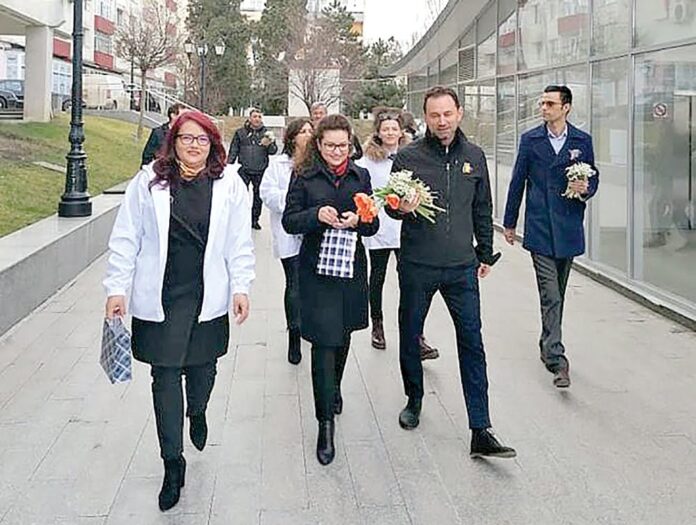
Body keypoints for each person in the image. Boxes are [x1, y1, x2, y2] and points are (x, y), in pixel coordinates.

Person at [104, 111, 255, 512]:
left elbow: (239, 242)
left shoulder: (229, 184)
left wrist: (241, 286)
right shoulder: (148, 182)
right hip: (163, 294)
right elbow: (126, 237)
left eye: (202, 139)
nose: (194, 146)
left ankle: (198, 410)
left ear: (213, 145)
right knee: (165, 376)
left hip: (208, 292)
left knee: (203, 369)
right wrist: (116, 288)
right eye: (186, 138)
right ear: (173, 142)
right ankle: (172, 462)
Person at [388, 86, 516, 459]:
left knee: (472, 342)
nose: (442, 121)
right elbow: (391, 206)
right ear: (425, 117)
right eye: (434, 115)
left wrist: (485, 253)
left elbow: (482, 207)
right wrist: (401, 207)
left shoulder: (474, 156)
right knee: (410, 333)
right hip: (418, 265)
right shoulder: (408, 157)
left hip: (461, 267)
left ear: (459, 113)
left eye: (448, 114)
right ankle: (414, 398)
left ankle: (481, 427)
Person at [282, 114, 378, 466]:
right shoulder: (304, 175)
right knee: (323, 343)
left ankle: (334, 386)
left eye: (343, 146)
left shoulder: (360, 176)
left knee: (343, 336)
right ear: (318, 145)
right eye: (330, 145)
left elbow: (373, 223)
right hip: (316, 272)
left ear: (351, 145)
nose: (337, 152)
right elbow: (290, 220)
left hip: (350, 269)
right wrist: (315, 215)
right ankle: (325, 423)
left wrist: (359, 220)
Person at [503, 85, 599, 388]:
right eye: (542, 103)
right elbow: (518, 181)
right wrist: (509, 223)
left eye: (550, 103)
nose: (543, 108)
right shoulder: (531, 140)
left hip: (568, 226)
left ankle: (547, 343)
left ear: (565, 107)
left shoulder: (582, 140)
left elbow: (592, 176)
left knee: (558, 291)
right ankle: (558, 358)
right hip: (540, 228)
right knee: (551, 293)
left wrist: (586, 189)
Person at [356, 109, 438, 359]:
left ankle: (416, 333)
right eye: (385, 129)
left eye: (394, 128)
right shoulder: (367, 161)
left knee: (412, 281)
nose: (390, 133)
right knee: (377, 277)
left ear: (402, 131)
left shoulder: (413, 155)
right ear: (378, 132)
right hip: (380, 227)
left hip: (407, 227)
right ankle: (377, 325)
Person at [260, 117, 313, 365]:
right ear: (292, 138)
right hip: (288, 232)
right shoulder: (277, 164)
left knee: (312, 283)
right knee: (294, 282)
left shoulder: (318, 162)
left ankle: (311, 325)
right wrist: (294, 201)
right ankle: (294, 332)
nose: (308, 134)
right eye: (303, 131)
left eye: (311, 130)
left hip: (313, 230)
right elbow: (267, 193)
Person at [228, 108, 278, 230]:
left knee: (258, 196)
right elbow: (234, 149)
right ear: (250, 118)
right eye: (255, 116)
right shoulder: (240, 132)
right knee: (241, 196)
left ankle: (254, 219)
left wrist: (270, 144)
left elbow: (273, 151)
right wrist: (229, 165)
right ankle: (241, 218)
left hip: (260, 170)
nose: (257, 119)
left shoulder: (267, 133)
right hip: (244, 169)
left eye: (259, 117)